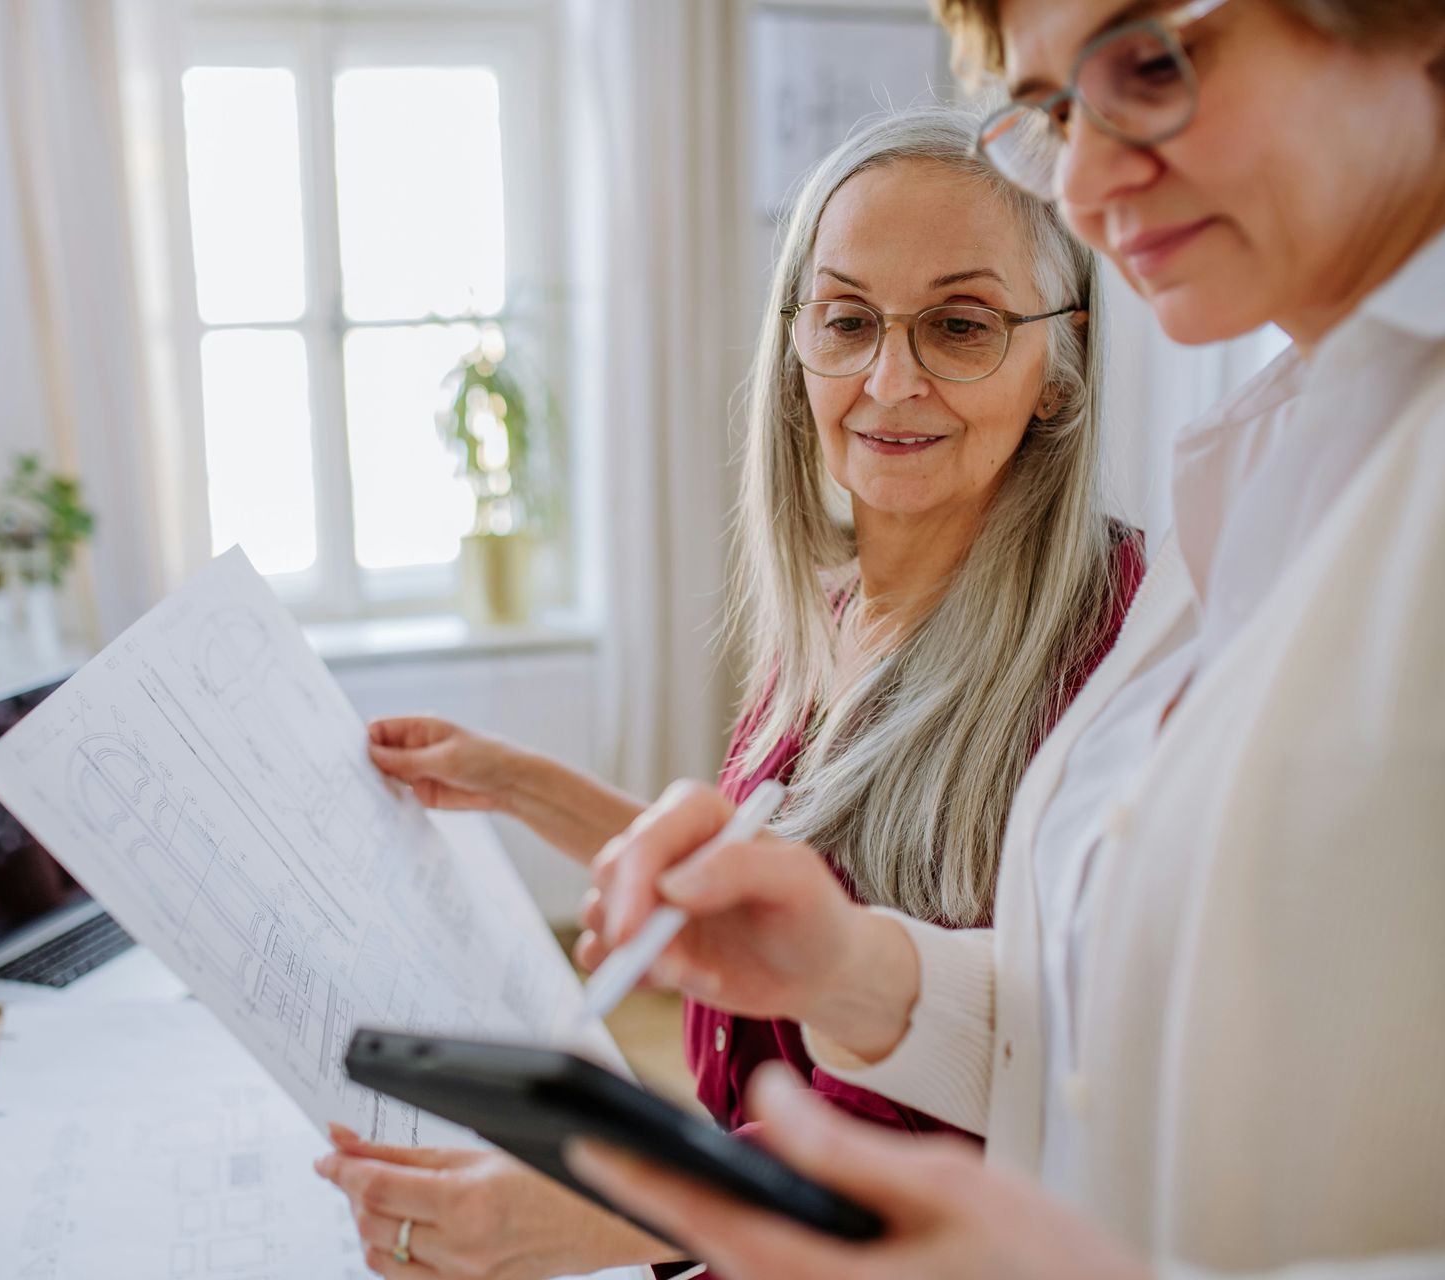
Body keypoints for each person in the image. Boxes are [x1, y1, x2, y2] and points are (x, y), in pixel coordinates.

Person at [569, 1, 1445, 1276]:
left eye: (1151, 62)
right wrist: (862, 967)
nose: (1088, 181)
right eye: (1049, 112)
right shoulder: (1291, 448)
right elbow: (1148, 1045)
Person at [314, 104, 1146, 1279]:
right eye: (847, 320)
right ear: (795, 342)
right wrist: (513, 781)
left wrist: (616, 1206)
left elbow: (1012, 1103)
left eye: (961, 325)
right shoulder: (840, 603)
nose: (887, 378)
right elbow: (758, 891)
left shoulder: (1110, 649)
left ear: (1059, 371)